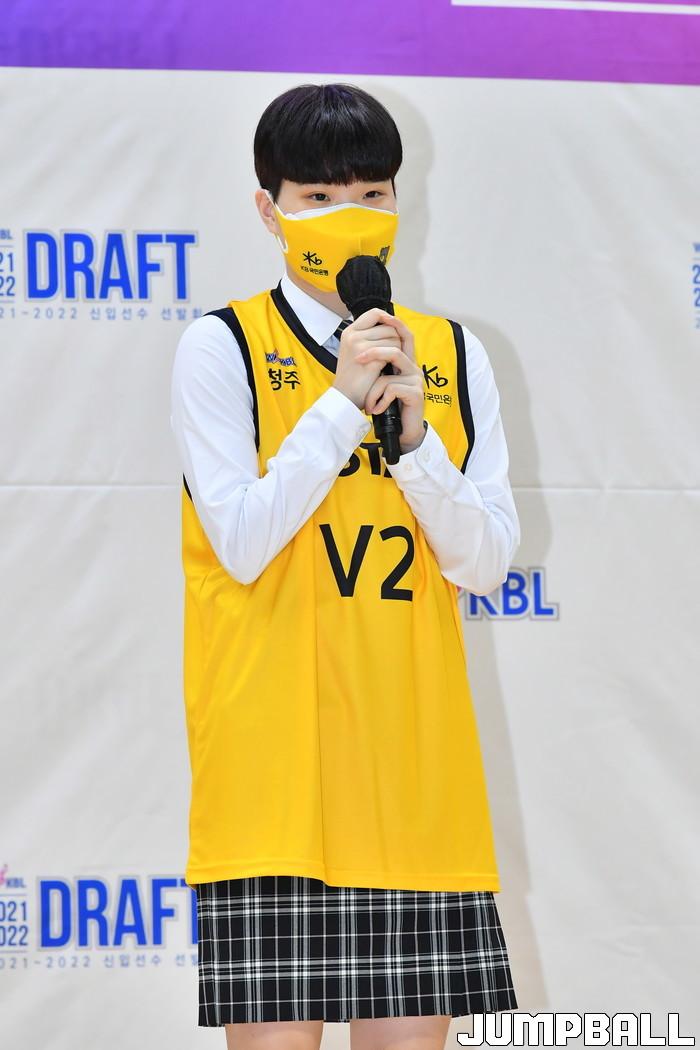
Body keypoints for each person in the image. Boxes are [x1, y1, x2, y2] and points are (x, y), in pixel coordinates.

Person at [170, 82, 521, 1050]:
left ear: (401, 200)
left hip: (414, 775)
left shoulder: (451, 355)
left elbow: (486, 561)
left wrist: (416, 447)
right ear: (269, 209)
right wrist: (337, 406)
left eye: (371, 192)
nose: (350, 215)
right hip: (273, 781)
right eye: (318, 198)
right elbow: (243, 541)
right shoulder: (221, 346)